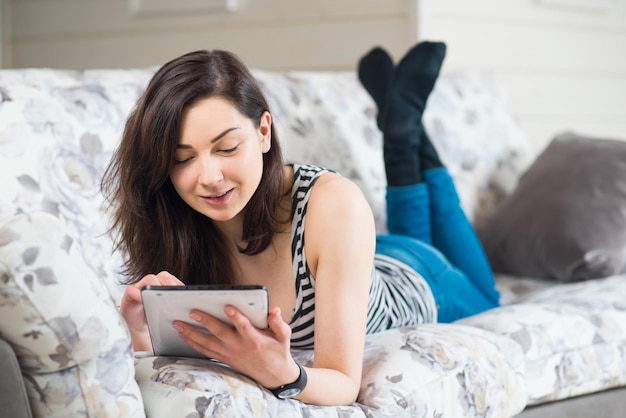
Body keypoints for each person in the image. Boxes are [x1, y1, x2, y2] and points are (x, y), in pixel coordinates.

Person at [101, 42, 499, 407]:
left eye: (226, 148)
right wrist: (141, 334)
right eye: (182, 158)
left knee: (488, 295)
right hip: (347, 255)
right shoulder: (171, 214)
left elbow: (344, 383)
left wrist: (284, 374)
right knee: (414, 228)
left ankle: (402, 131)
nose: (208, 177)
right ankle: (402, 125)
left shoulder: (333, 202)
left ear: (263, 132)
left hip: (420, 277)